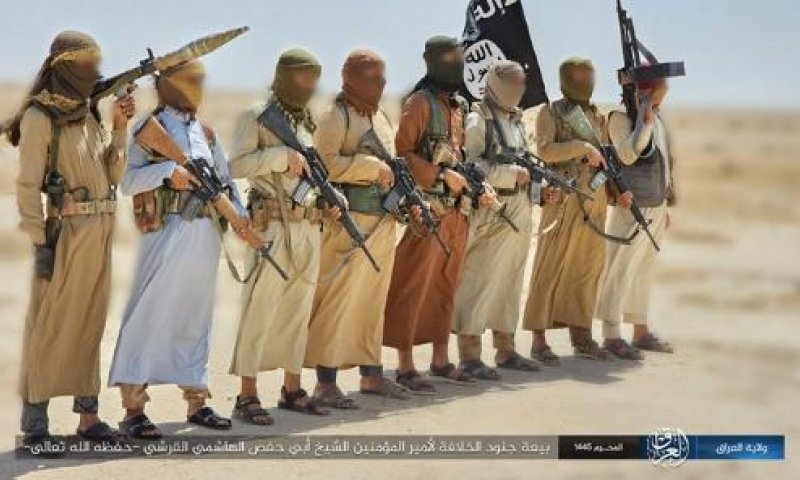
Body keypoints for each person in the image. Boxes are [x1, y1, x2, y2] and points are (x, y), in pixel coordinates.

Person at [109, 59, 246, 438]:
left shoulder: (206, 132)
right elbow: (128, 181)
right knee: (147, 314)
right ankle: (134, 408)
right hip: (164, 233)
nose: (197, 88)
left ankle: (197, 401)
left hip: (205, 235)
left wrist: (241, 218)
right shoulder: (150, 128)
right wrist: (169, 173)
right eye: (190, 81)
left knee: (195, 318)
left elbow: (225, 180)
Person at [11, 31, 135, 444]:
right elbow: (27, 187)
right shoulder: (40, 116)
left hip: (100, 233)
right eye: (85, 64)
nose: (93, 72)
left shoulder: (90, 113)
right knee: (48, 327)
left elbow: (114, 175)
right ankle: (35, 427)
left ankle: (88, 418)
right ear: (63, 67)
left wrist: (120, 129)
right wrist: (39, 243)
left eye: (95, 63)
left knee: (89, 324)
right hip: (62, 236)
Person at [229, 48, 338, 422]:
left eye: (314, 79)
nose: (309, 86)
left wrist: (328, 201)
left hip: (307, 226)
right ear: (285, 76)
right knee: (259, 309)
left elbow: (309, 177)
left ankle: (292, 388)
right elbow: (236, 164)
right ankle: (247, 395)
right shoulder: (256, 115)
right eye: (303, 77)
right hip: (272, 227)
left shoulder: (307, 123)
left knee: (297, 311)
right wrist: (279, 157)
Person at [383, 36, 493, 394]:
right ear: (432, 61)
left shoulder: (457, 105)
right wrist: (441, 175)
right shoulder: (419, 103)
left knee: (446, 285)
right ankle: (405, 366)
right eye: (450, 58)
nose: (458, 63)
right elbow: (402, 155)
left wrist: (476, 186)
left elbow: (458, 156)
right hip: (428, 212)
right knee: (414, 283)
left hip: (457, 212)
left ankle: (441, 359)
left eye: (460, 57)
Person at [305, 50, 410, 407]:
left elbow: (392, 166)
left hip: (383, 221)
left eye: (383, 78)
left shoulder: (381, 117)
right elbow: (323, 166)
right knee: (337, 299)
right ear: (351, 79)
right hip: (348, 225)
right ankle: (325, 382)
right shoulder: (336, 117)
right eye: (372, 78)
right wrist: (367, 167)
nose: (380, 85)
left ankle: (372, 374)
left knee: (372, 301)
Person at [521, 57, 630, 364]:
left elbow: (606, 159)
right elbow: (545, 150)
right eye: (579, 77)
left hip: (594, 202)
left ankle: (582, 336)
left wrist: (618, 191)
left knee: (587, 270)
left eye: (589, 76)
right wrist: (582, 148)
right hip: (564, 200)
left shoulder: (598, 116)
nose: (586, 82)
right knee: (549, 266)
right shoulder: (551, 112)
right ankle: (539, 340)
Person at [453, 61, 549, 379]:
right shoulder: (477, 120)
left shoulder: (516, 121)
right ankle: (469, 355)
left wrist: (539, 187)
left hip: (520, 210)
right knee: (480, 281)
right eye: (512, 84)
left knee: (510, 281)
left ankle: (506, 349)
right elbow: (471, 167)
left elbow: (525, 160)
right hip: (492, 211)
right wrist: (510, 174)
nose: (518, 90)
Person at [596, 75, 675, 359]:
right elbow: (628, 155)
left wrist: (667, 202)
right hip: (631, 207)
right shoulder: (619, 118)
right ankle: (611, 335)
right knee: (620, 269)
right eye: (657, 96)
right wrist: (644, 122)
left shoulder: (657, 118)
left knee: (642, 271)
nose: (660, 102)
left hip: (656, 204)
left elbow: (665, 161)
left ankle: (640, 332)